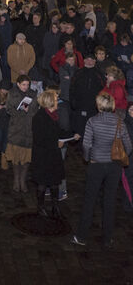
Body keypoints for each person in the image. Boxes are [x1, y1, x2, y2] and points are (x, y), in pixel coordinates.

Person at [72, 93, 132, 247]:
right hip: (114, 167)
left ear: (98, 105)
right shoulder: (120, 122)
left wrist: (88, 158)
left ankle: (82, 236)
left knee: (89, 200)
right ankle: (107, 238)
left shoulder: (92, 121)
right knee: (109, 201)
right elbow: (129, 147)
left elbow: (86, 144)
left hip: (96, 164)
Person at [31, 89, 80, 218]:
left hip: (53, 155)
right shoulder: (39, 117)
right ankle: (40, 207)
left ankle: (55, 206)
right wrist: (56, 142)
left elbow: (59, 132)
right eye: (56, 100)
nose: (58, 102)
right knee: (42, 183)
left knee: (54, 182)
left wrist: (72, 135)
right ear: (50, 102)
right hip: (43, 155)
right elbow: (39, 139)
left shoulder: (53, 115)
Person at [5, 74, 39, 192]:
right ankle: (16, 180)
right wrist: (20, 110)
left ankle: (22, 181)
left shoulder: (33, 94)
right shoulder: (12, 93)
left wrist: (29, 111)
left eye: (27, 85)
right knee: (16, 158)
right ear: (18, 84)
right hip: (16, 129)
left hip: (29, 129)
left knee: (26, 159)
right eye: (23, 85)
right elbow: (9, 109)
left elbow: (36, 109)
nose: (26, 87)